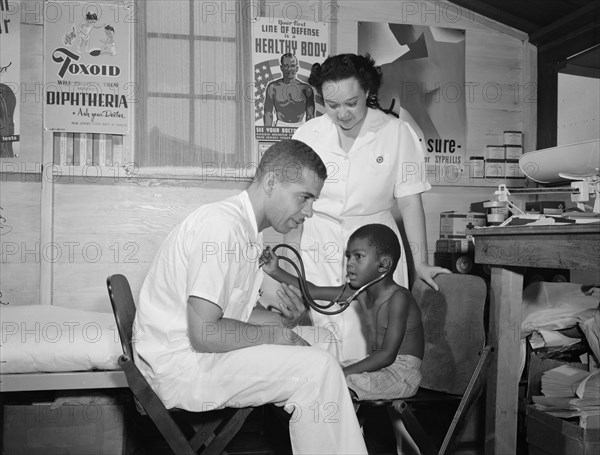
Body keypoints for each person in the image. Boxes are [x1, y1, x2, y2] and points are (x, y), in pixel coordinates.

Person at [134, 139, 368, 455]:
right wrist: (273, 334)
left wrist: (285, 322)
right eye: (304, 197)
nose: (309, 212)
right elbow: (205, 333)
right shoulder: (222, 228)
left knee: (323, 339)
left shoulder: (250, 232)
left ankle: (338, 439)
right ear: (271, 181)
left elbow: (239, 315)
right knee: (318, 369)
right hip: (182, 368)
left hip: (202, 355)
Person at [289, 53, 449, 361]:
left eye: (352, 103)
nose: (343, 113)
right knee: (325, 342)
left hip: (375, 247)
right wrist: (290, 265)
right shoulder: (308, 135)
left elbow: (410, 202)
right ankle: (326, 404)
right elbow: (297, 205)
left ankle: (371, 405)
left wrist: (422, 264)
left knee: (372, 341)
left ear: (368, 93)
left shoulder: (397, 133)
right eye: (332, 105)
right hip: (319, 243)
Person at [261, 223, 424, 453]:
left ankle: (342, 446)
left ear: (383, 264)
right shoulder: (362, 292)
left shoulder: (399, 298)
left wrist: (341, 372)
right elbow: (313, 291)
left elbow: (387, 356)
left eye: (358, 256)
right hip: (380, 367)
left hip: (402, 373)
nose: (349, 263)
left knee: (334, 382)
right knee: (311, 377)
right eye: (348, 256)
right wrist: (275, 271)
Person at [263, 53, 315, 127]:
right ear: (281, 68)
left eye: (292, 66)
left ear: (297, 68)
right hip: (280, 126)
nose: (289, 69)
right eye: (286, 66)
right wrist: (267, 133)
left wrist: (310, 134)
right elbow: (268, 113)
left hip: (299, 127)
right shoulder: (273, 87)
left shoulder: (306, 89)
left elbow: (310, 115)